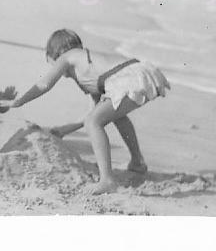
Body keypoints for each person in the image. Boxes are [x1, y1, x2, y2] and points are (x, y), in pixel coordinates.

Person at [10, 29, 171, 194]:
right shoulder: (92, 70)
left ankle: (107, 180)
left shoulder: (66, 57)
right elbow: (93, 111)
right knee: (115, 116)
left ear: (55, 55)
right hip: (140, 71)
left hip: (127, 79)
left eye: (51, 64)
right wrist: (63, 130)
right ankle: (137, 162)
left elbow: (45, 84)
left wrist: (20, 101)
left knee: (94, 122)